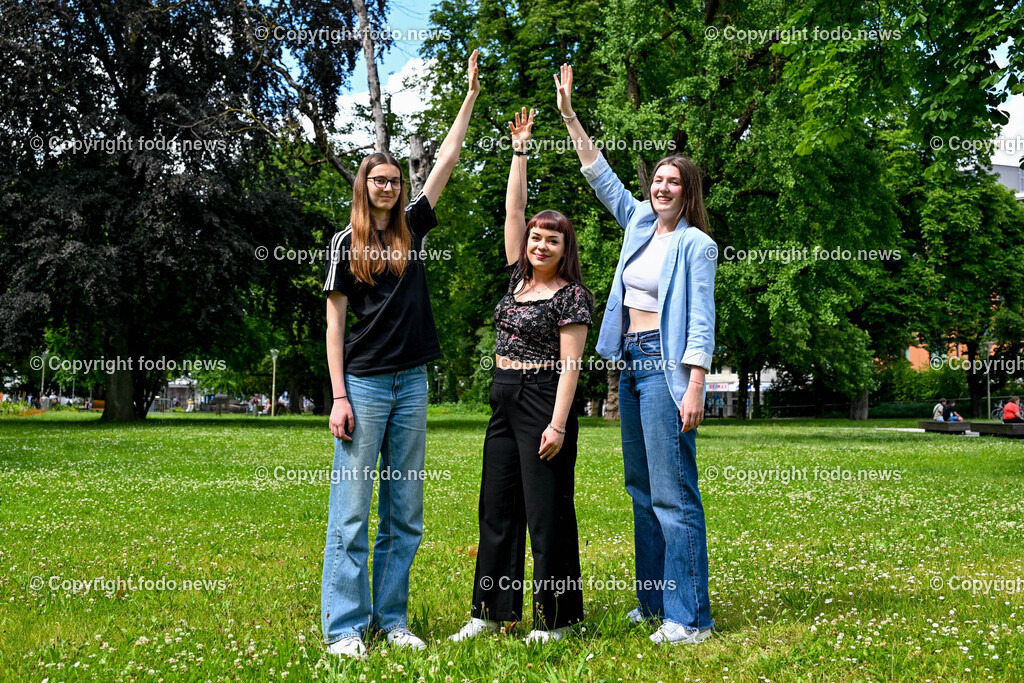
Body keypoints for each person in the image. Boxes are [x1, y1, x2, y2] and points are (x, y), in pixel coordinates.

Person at [320, 50, 481, 659]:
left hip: (412, 383)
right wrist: (337, 395)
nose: (386, 187)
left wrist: (466, 97)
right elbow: (334, 325)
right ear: (363, 185)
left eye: (394, 180)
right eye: (377, 180)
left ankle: (392, 620)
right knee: (354, 512)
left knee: (405, 511)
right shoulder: (345, 242)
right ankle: (343, 629)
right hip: (361, 384)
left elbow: (446, 160)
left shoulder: (414, 226)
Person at [556, 64, 716, 645]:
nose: (662, 187)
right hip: (628, 364)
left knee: (674, 494)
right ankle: (653, 606)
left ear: (688, 191)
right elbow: (599, 176)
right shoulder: (639, 226)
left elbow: (702, 320)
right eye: (657, 180)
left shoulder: (698, 246)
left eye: (673, 181)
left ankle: (689, 617)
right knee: (642, 491)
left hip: (665, 373)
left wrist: (695, 383)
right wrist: (570, 115)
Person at [448, 107, 593, 645]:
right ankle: (489, 612)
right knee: (497, 507)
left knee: (547, 512)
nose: (539, 245)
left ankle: (558, 620)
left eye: (552, 241)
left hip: (543, 401)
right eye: (536, 237)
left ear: (564, 249)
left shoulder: (571, 295)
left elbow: (572, 366)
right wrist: (520, 150)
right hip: (503, 398)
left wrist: (557, 425)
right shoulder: (516, 277)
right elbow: (514, 208)